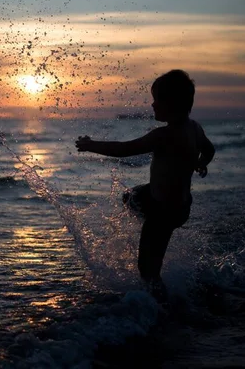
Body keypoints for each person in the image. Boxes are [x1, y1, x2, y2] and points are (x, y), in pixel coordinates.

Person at [75, 69, 215, 302]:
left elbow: (124, 150)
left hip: (162, 212)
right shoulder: (195, 128)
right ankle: (150, 240)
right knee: (131, 197)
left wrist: (91, 145)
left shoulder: (163, 135)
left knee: (147, 270)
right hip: (180, 205)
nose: (153, 105)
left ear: (172, 103)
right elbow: (209, 150)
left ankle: (162, 306)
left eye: (157, 99)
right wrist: (201, 163)